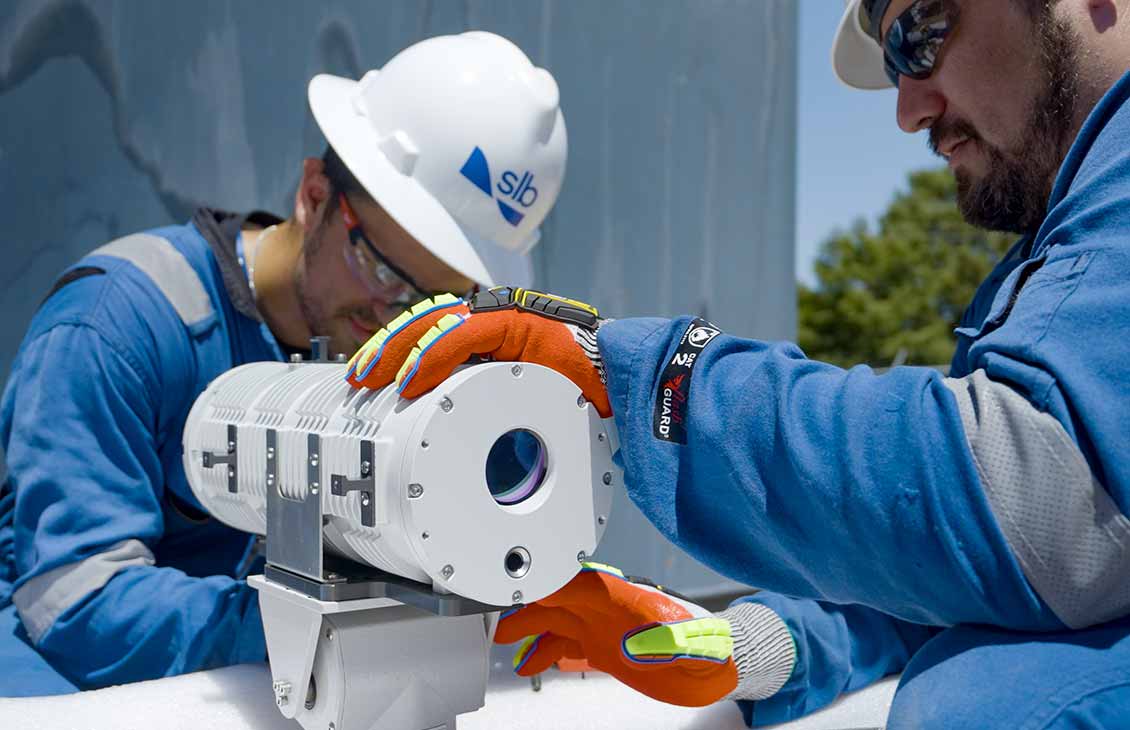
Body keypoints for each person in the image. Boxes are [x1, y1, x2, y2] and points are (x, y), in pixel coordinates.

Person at [345, 1, 1130, 726]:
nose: (907, 110)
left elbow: (1035, 506)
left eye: (918, 31)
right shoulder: (1058, 256)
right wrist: (740, 648)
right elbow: (967, 575)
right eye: (894, 66)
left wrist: (630, 376)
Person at [0, 30, 568, 696]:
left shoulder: (408, 346)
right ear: (314, 195)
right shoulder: (117, 324)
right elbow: (75, 599)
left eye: (431, 299)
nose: (394, 312)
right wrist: (307, 625)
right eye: (379, 267)